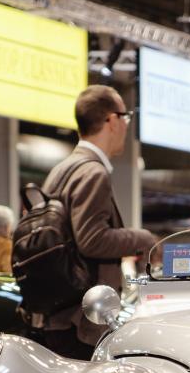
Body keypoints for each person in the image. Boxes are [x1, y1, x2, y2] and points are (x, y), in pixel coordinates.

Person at [38, 85, 157, 358]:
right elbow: (92, 240)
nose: (126, 126)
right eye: (125, 118)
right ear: (112, 120)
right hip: (82, 318)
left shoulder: (63, 169)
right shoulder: (93, 173)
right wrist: (143, 238)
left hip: (60, 312)